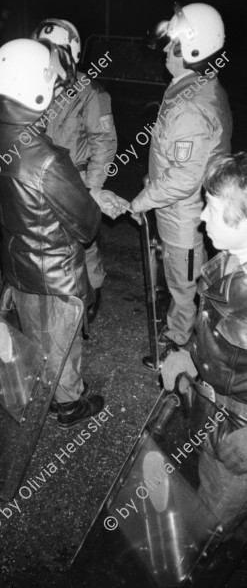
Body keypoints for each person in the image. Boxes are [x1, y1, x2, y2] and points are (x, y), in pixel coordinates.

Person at [0, 38, 126, 428]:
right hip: (56, 270)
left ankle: (54, 387)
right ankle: (69, 404)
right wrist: (95, 201)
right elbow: (86, 225)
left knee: (37, 334)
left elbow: (2, 206)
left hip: (17, 261)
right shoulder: (46, 158)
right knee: (63, 342)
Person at [127, 3, 232, 370]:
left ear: (190, 51)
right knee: (179, 278)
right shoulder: (192, 87)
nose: (165, 53)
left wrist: (141, 200)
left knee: (183, 284)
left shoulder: (191, 105)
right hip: (180, 209)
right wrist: (152, 180)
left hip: (183, 216)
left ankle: (178, 348)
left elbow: (184, 178)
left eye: (172, 46)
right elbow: (177, 158)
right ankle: (178, 330)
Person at [162, 152, 247, 533]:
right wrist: (192, 358)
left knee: (210, 528)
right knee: (205, 495)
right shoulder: (231, 258)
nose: (200, 217)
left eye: (212, 208)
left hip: (239, 436)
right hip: (215, 414)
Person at [32, 19, 118, 324]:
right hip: (43, 178)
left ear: (71, 54)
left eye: (55, 53)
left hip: (78, 178)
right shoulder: (33, 85)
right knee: (45, 239)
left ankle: (93, 289)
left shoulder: (90, 92)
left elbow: (105, 143)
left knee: (86, 241)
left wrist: (93, 188)